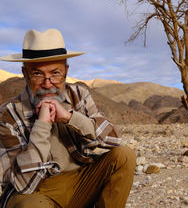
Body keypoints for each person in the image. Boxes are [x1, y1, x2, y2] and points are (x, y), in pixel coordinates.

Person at [0, 29, 136, 208]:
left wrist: (71, 118)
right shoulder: (7, 115)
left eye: (55, 73)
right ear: (25, 74)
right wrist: (41, 126)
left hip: (80, 182)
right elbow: (22, 184)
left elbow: (113, 138)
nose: (47, 84)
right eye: (38, 74)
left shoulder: (79, 95)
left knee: (124, 156)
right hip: (37, 191)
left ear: (66, 71)